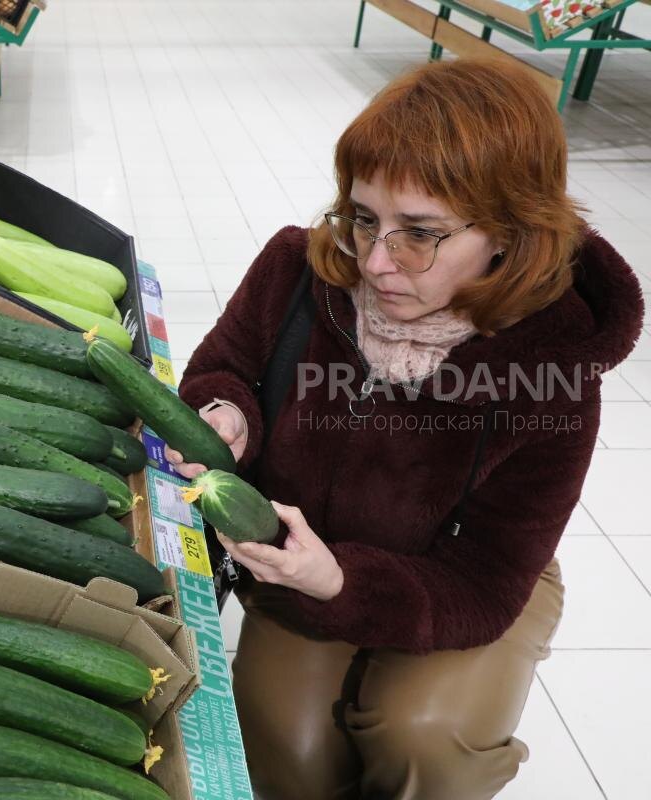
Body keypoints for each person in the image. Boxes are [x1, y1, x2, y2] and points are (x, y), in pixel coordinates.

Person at [167, 58, 644, 800]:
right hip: (300, 562)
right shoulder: (296, 272)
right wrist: (226, 414)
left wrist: (344, 580)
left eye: (420, 234)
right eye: (363, 218)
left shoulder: (552, 370)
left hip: (464, 574)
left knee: (423, 738)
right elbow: (222, 368)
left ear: (508, 232)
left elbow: (488, 582)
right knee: (284, 743)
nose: (378, 261)